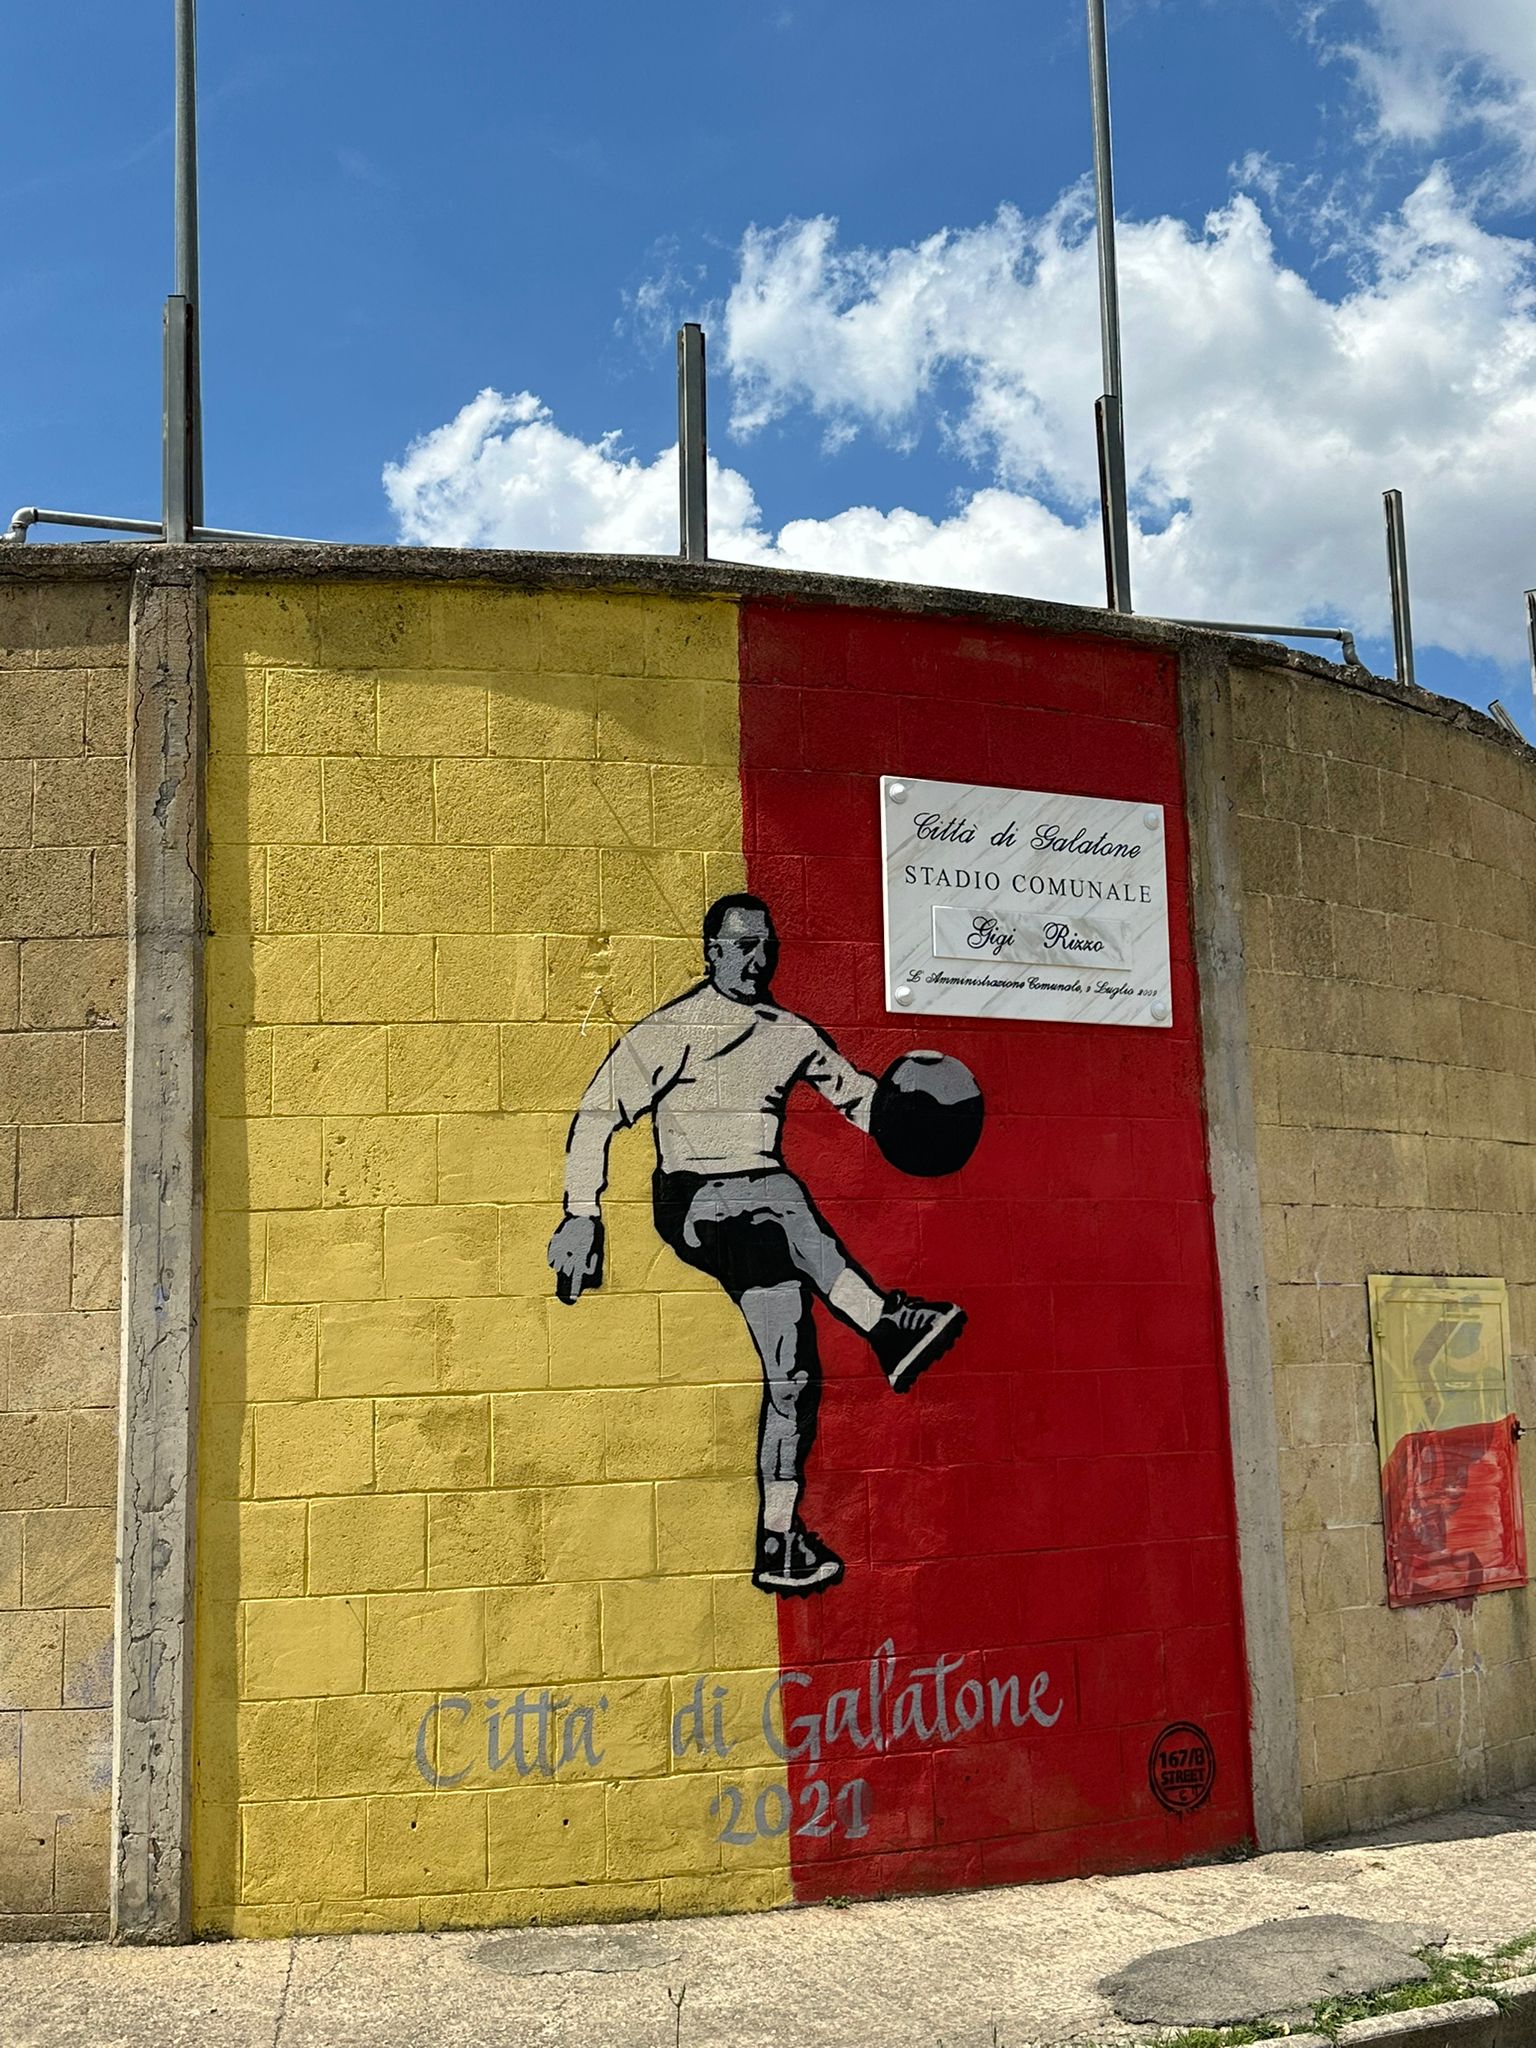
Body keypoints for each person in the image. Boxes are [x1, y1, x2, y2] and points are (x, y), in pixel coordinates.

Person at [548, 893, 966, 1597]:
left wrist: (925, 1115)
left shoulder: (791, 1034)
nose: (758, 958)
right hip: (692, 1201)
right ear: (712, 951)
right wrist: (581, 1214)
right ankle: (884, 1323)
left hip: (767, 1231)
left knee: (793, 1374)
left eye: (766, 945)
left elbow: (860, 1100)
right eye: (743, 945)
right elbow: (596, 1116)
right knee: (779, 1191)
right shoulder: (672, 1030)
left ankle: (778, 1538)